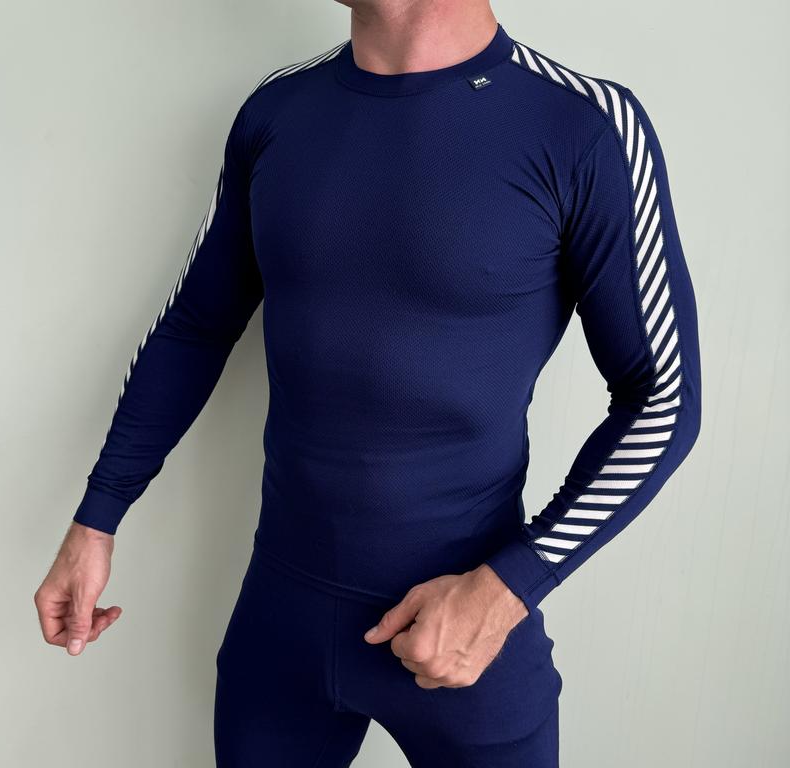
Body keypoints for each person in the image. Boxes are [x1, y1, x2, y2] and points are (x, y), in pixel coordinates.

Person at [34, 1, 702, 765]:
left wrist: (506, 590)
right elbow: (195, 327)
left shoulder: (580, 124)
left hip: (462, 638)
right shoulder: (278, 111)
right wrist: (97, 517)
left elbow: (662, 398)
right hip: (277, 632)